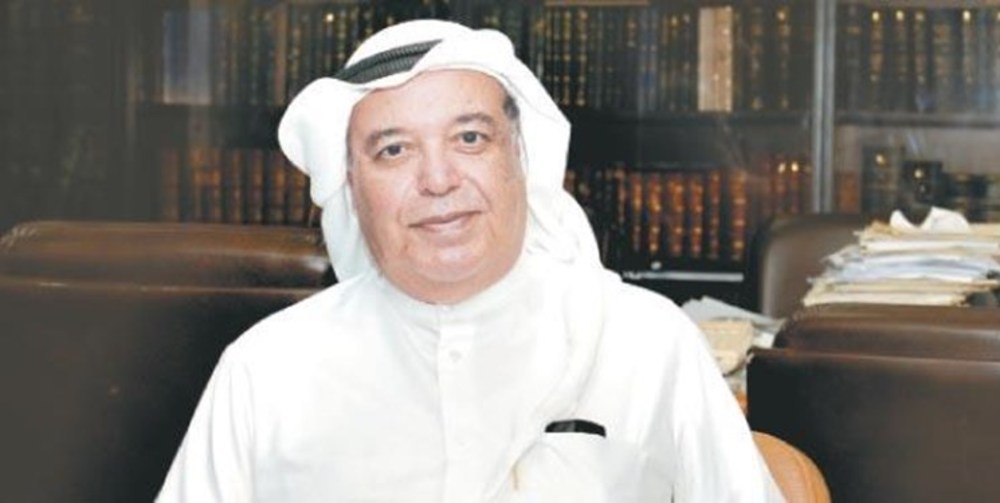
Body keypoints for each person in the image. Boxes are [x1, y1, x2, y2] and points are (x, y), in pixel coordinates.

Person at [158, 19, 782, 502]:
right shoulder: (266, 371)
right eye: (394, 150)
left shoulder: (645, 341)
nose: (438, 179)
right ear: (351, 184)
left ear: (519, 157)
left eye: (470, 138)